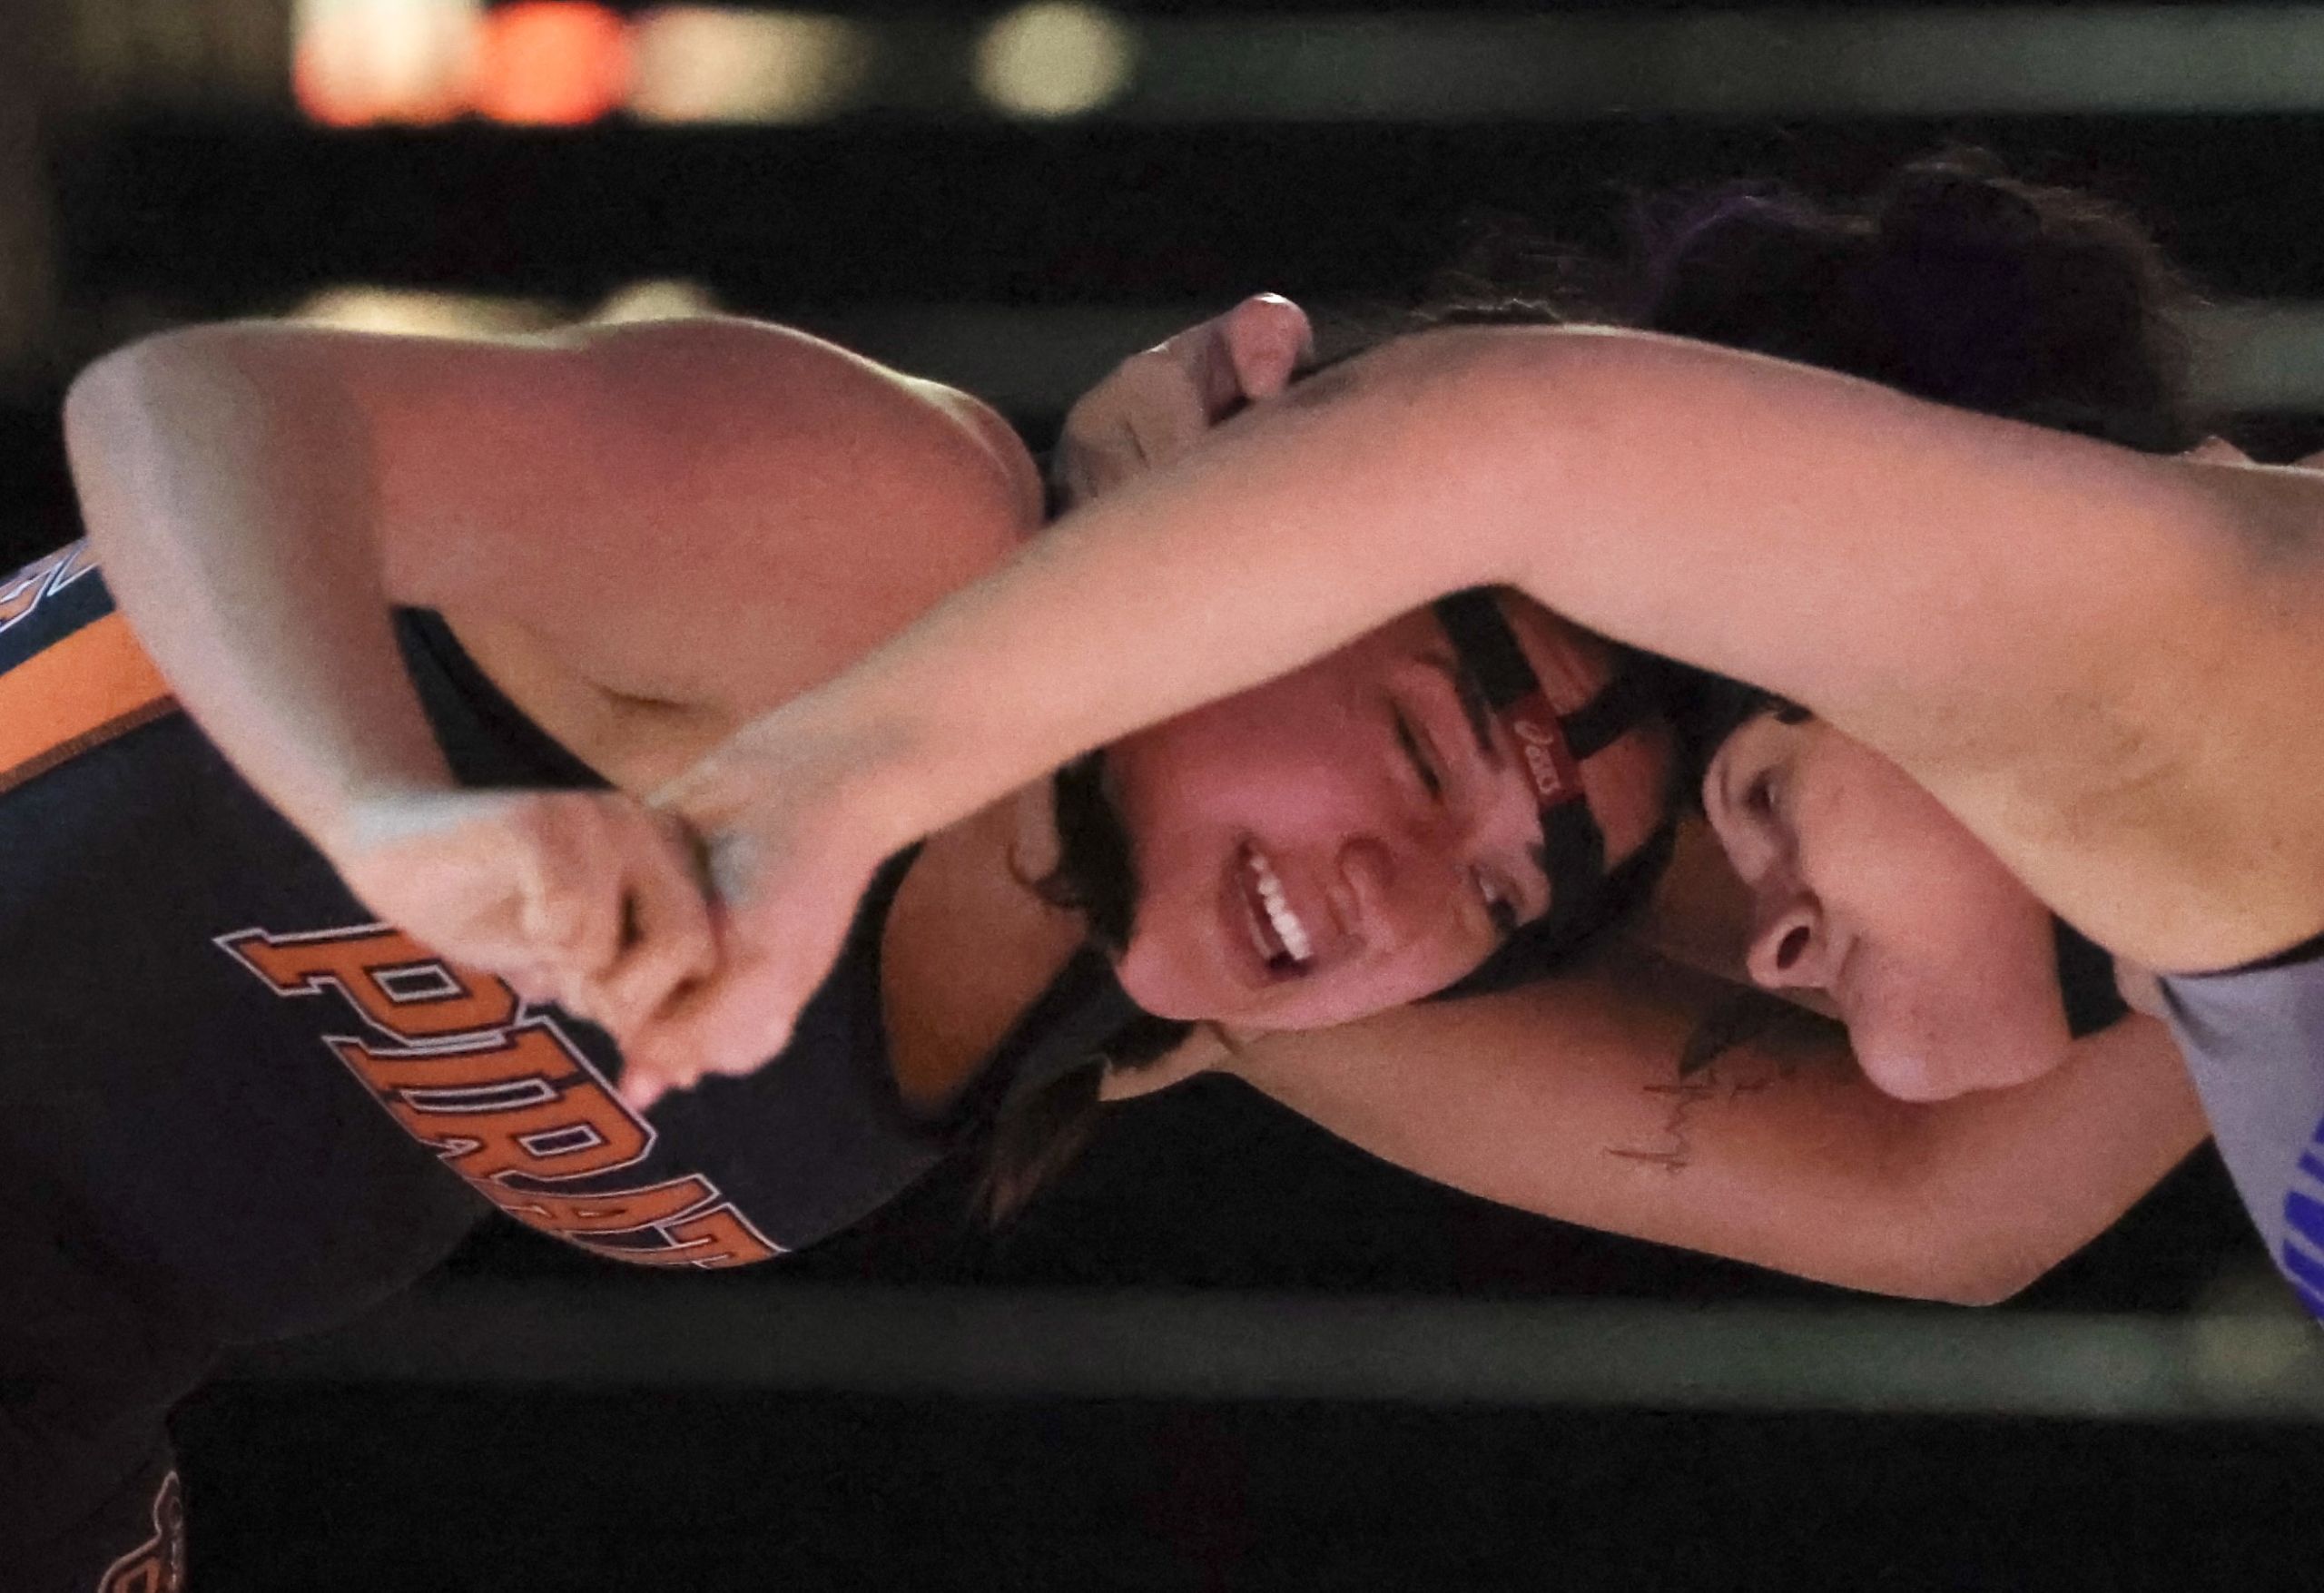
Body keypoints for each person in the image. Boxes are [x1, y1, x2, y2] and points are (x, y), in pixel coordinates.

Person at [24, 168, 2201, 1583]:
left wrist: (2275, 755)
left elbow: (1936, 1200)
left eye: (1498, 903)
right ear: (1267, 553)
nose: (1402, 888)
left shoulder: (1218, 968)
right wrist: (373, 804)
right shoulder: (884, 537)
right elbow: (186, 409)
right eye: (1418, 750)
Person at [581, 157, 2324, 1316]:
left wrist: (827, 785)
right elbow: (1934, 1182)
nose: (1774, 945)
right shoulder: (2217, 952)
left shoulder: (2226, 632)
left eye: (1766, 793)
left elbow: (1516, 437)